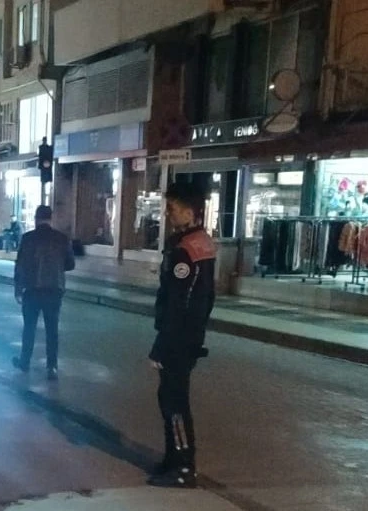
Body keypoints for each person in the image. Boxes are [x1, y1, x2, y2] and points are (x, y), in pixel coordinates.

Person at [146, 182, 215, 489]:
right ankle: (173, 459)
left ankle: (184, 465)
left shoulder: (185, 250)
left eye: (172, 208)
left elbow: (178, 301)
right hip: (189, 336)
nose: (167, 213)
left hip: (178, 339)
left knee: (173, 402)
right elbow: (205, 299)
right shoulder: (201, 243)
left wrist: (161, 345)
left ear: (189, 211)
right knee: (171, 398)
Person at [12, 206, 74, 381]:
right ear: (50, 218)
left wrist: (18, 289)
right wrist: (56, 267)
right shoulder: (61, 238)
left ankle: (24, 362)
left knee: (29, 328)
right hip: (54, 289)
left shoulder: (28, 238)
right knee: (52, 329)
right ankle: (52, 367)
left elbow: (20, 265)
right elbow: (70, 264)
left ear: (36, 219)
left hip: (31, 290)